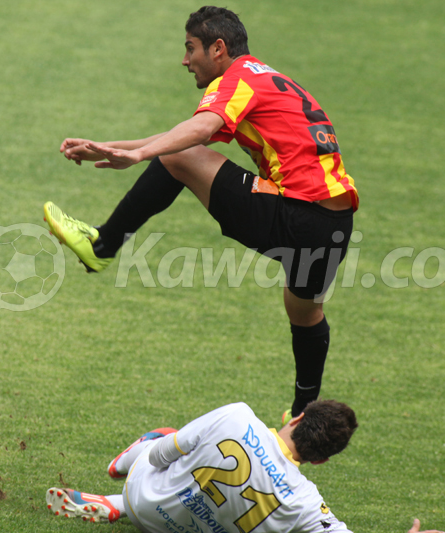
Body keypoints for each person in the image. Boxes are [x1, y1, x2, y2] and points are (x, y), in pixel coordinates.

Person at [44, 6, 357, 418]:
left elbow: (198, 134)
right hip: (335, 223)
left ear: (219, 48)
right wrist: (113, 147)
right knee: (303, 310)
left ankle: (102, 245)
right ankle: (303, 413)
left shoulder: (238, 77)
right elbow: (182, 138)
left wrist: (138, 154)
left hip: (297, 212)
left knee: (183, 156)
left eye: (191, 48)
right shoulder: (266, 77)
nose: (185, 59)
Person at [45, 401, 442, 533]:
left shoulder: (238, 416)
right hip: (186, 529)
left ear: (298, 417)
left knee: (165, 437)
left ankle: (121, 479)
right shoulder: (306, 501)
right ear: (320, 460)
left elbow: (164, 454)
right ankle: (117, 504)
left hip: (149, 499)